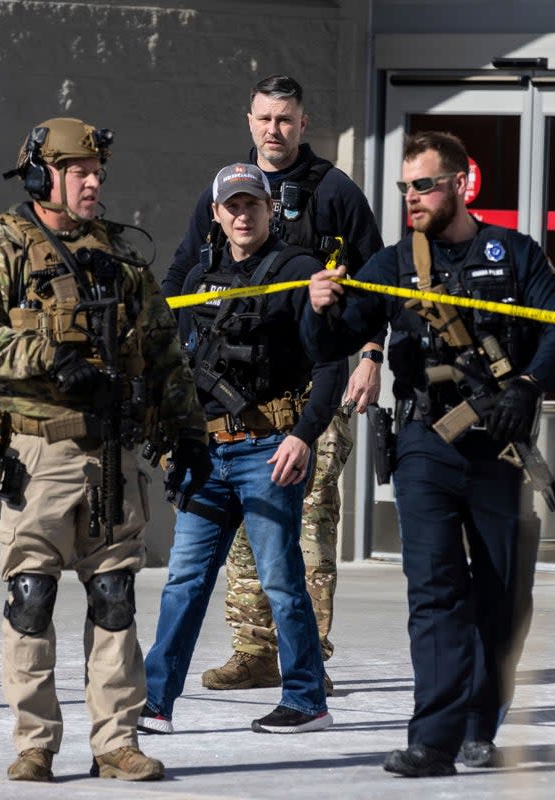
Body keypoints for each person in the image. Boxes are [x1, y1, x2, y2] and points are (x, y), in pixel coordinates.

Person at [306, 131, 555, 776]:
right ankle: (432, 738)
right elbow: (338, 336)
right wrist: (320, 308)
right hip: (426, 445)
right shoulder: (398, 264)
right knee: (434, 592)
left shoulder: (513, 254)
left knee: (503, 595)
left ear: (461, 183)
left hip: (499, 449)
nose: (412, 198)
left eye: (424, 185)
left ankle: (481, 722)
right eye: (405, 187)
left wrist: (529, 386)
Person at [0, 117, 209, 782]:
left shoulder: (121, 260)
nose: (93, 182)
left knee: (115, 597)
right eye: (78, 171)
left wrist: (187, 435)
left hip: (112, 456)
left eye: (98, 172)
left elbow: (163, 353)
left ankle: (116, 741)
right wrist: (50, 360)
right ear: (42, 176)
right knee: (31, 595)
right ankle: (35, 742)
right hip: (37, 455)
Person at [164, 74, 384, 694]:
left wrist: (370, 354)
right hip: (235, 396)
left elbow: (375, 282)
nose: (274, 130)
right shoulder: (225, 193)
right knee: (243, 527)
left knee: (307, 522)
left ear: (303, 123)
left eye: (285, 119)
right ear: (249, 120)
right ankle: (256, 651)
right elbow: (180, 278)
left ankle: (306, 655)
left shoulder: (335, 191)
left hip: (314, 382)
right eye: (264, 118)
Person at [138, 162, 337, 735]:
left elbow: (329, 363)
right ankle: (156, 703)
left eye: (253, 204)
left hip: (268, 449)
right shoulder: (198, 275)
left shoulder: (298, 272)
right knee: (184, 580)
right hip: (205, 451)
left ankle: (305, 700)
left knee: (279, 577)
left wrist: (303, 435)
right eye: (232, 205)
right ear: (217, 214)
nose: (242, 214)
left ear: (270, 209)